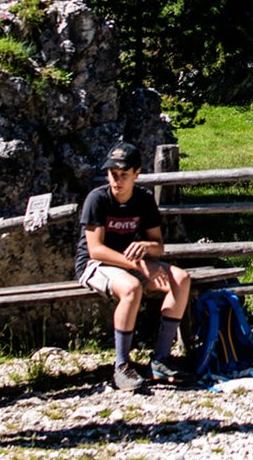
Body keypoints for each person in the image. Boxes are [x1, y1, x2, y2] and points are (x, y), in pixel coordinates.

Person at [76, 141, 194, 391]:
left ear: (137, 174)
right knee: (131, 289)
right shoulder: (97, 199)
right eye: (113, 174)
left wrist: (147, 250)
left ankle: (160, 359)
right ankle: (121, 366)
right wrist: (140, 265)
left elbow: (158, 245)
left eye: (124, 175)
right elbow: (95, 249)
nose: (117, 181)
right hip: (96, 264)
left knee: (181, 279)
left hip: (130, 263)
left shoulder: (144, 200)